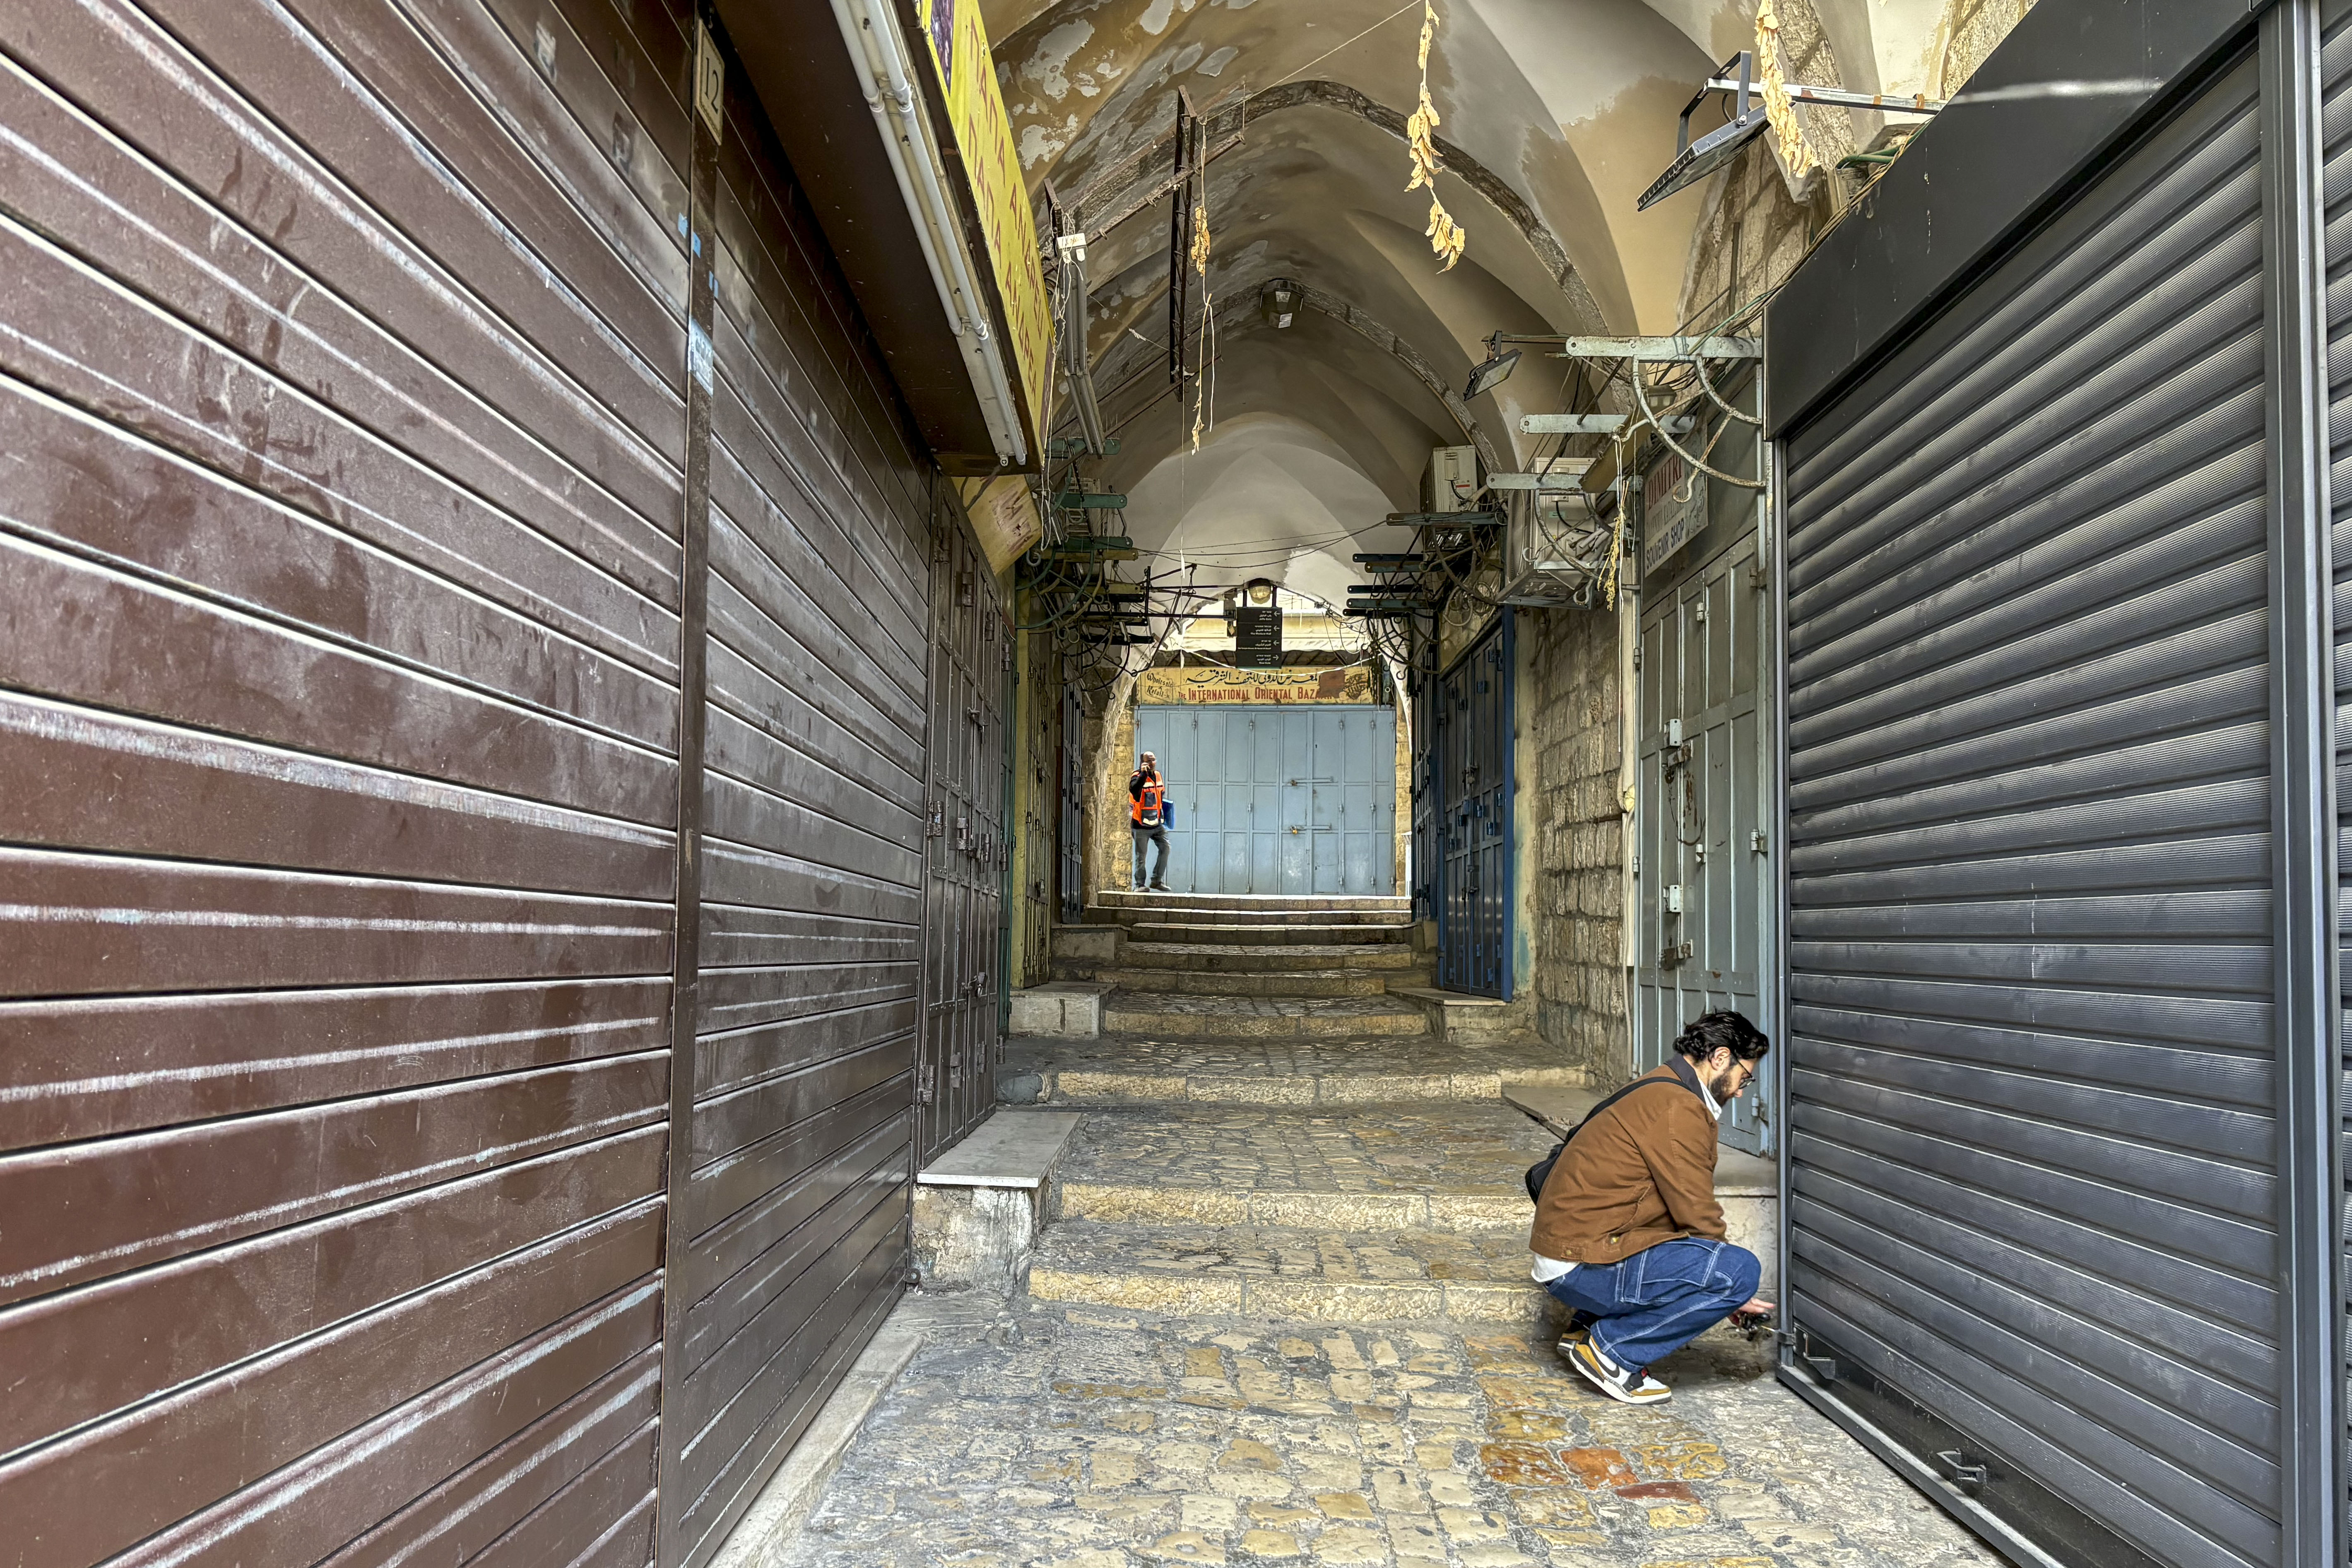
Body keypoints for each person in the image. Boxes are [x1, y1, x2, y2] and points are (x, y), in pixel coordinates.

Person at [1529, 1010, 1774, 1405]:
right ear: (1719, 1058)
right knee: (1737, 1270)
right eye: (1744, 1076)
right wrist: (1729, 1289)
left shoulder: (1662, 1083)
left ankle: (1584, 1328)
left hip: (1573, 1250)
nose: (1743, 1090)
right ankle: (1612, 1350)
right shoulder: (1678, 1106)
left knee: (1688, 1248)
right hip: (1581, 1262)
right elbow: (1696, 1209)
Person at [1129, 751, 1172, 891]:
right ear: (1143, 762)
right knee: (1141, 856)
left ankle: (1157, 880)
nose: (1152, 763)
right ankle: (1139, 885)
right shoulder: (1137, 776)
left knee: (1165, 848)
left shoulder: (1158, 775)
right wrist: (1143, 774)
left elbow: (1161, 794)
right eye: (1149, 761)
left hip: (1157, 823)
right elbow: (1134, 791)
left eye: (1154, 760)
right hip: (1140, 824)